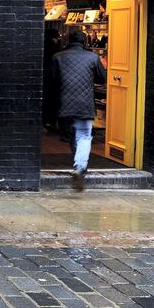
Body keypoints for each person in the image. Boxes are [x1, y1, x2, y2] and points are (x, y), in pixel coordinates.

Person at [51, 30, 107, 191]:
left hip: (64, 103)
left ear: (68, 40)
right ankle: (80, 167)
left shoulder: (58, 57)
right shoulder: (93, 57)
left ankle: (78, 164)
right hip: (84, 104)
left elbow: (52, 80)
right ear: (85, 42)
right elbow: (102, 78)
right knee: (83, 135)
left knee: (71, 135)